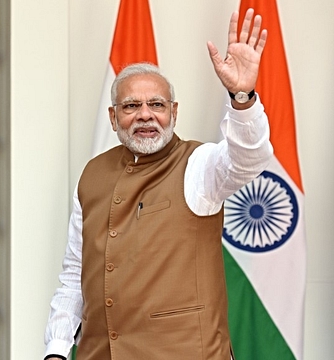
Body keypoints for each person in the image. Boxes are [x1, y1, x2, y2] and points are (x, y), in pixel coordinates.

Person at [44, 9, 273, 360]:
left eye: (157, 105)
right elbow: (76, 271)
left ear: (174, 112)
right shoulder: (93, 174)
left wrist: (242, 99)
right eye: (132, 105)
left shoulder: (199, 166)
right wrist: (57, 349)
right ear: (114, 117)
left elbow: (249, 158)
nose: (145, 115)